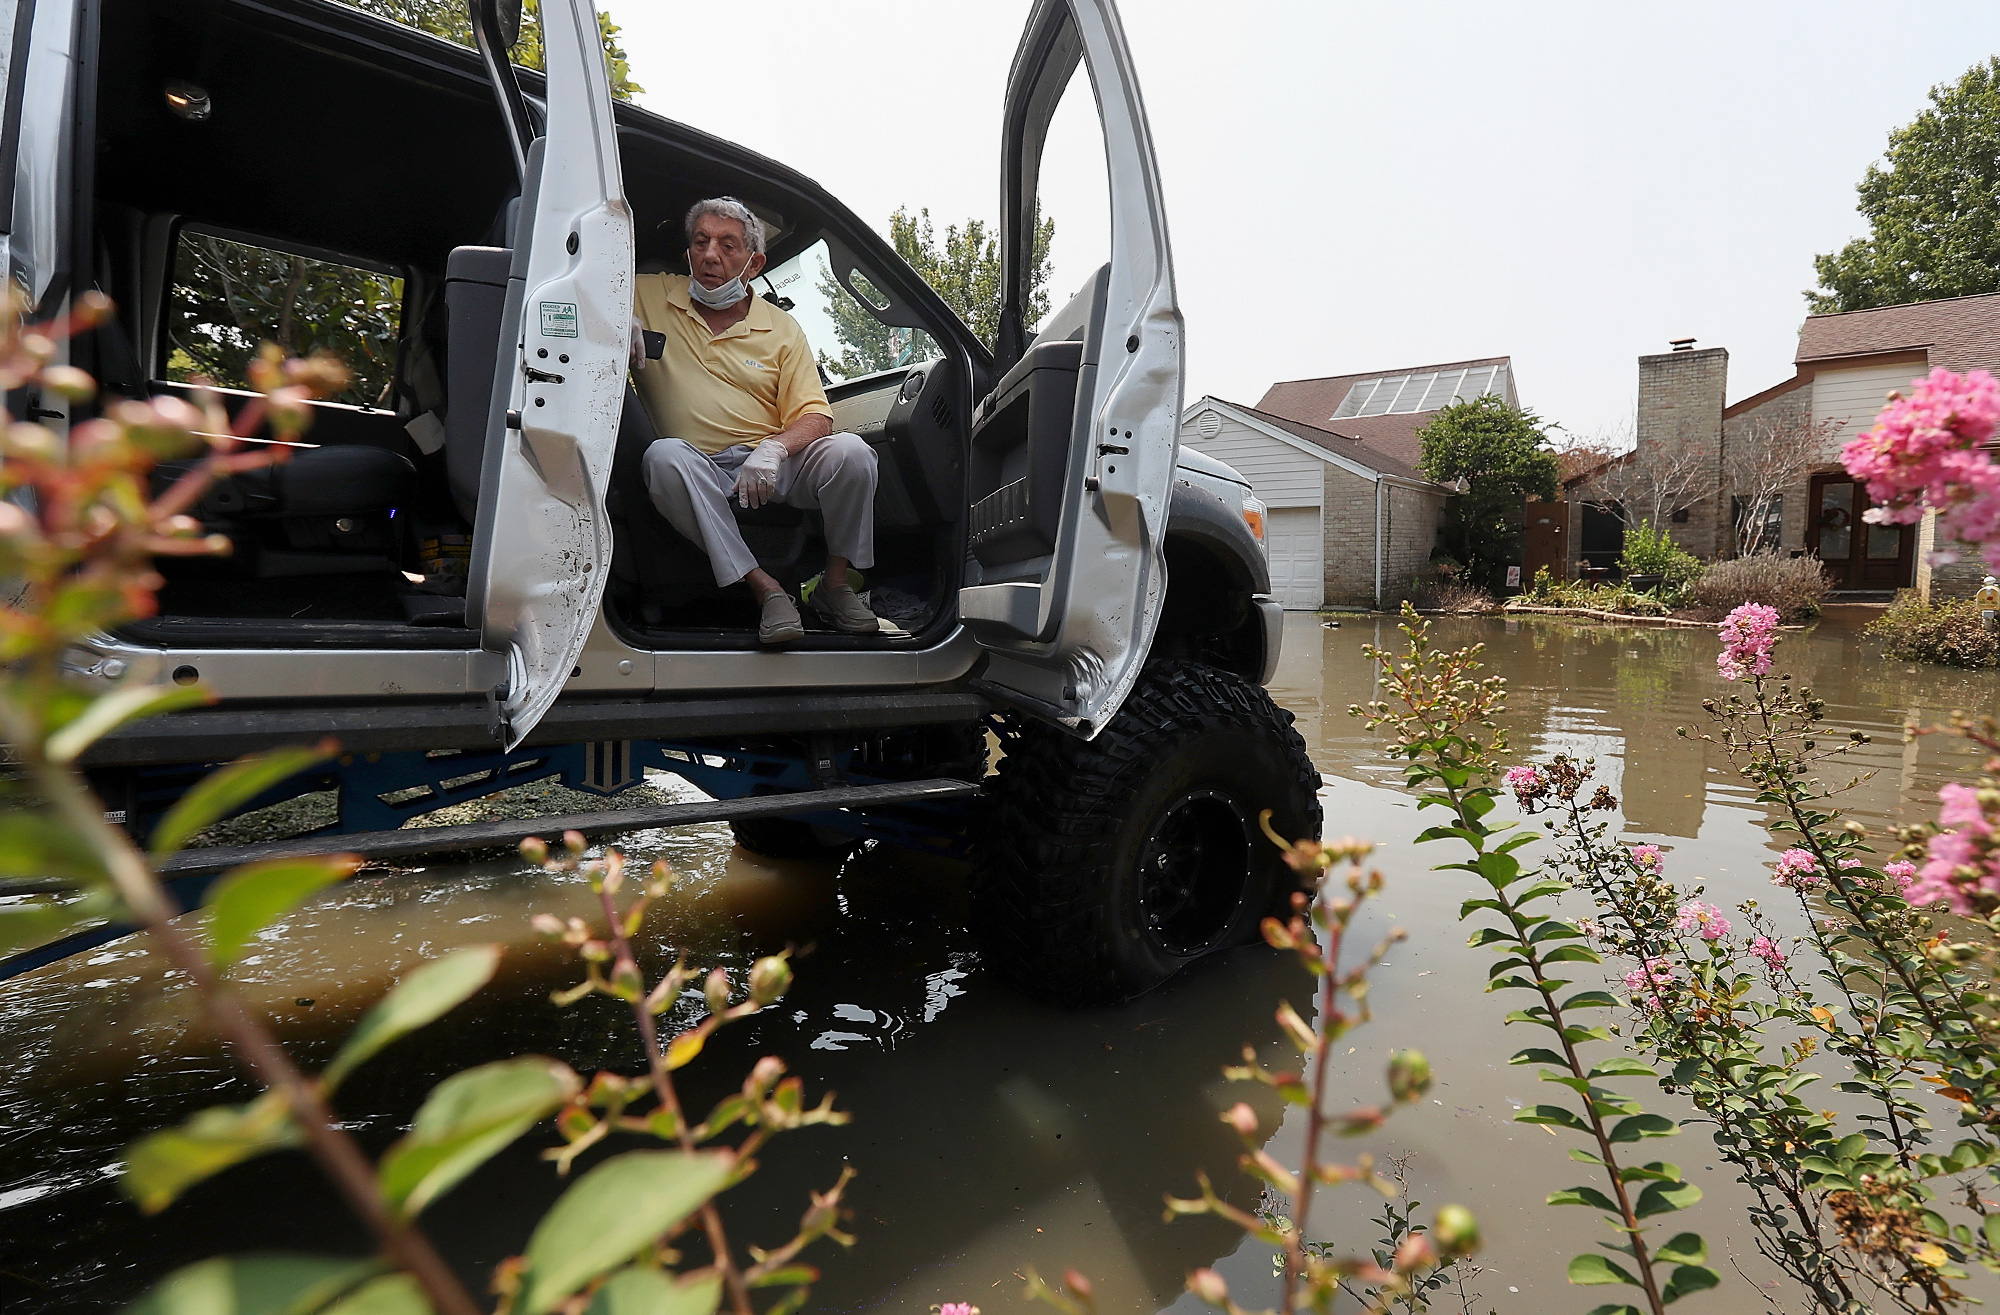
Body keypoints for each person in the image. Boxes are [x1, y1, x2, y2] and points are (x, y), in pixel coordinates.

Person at [630, 196, 881, 644]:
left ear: (754, 261)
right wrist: (610, 314)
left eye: (728, 245)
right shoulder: (647, 292)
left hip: (771, 465)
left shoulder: (782, 328)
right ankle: (766, 590)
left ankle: (835, 586)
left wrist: (773, 449)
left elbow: (815, 415)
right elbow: (574, 285)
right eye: (701, 242)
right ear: (688, 251)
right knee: (662, 457)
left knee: (853, 453)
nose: (710, 255)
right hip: (699, 466)